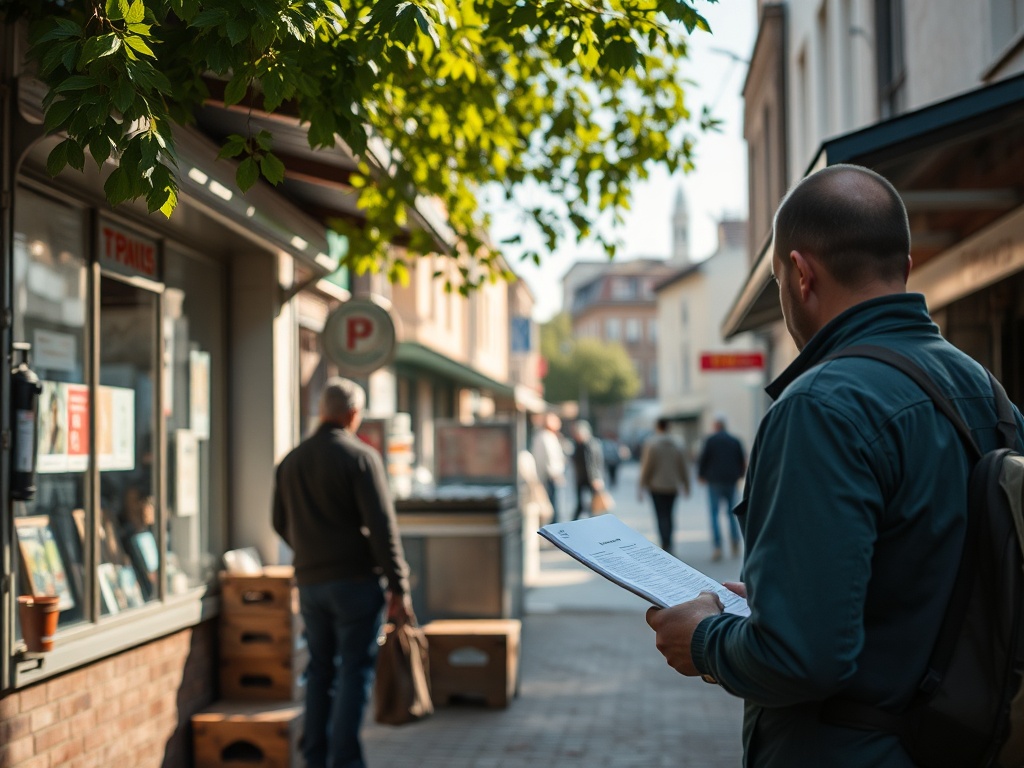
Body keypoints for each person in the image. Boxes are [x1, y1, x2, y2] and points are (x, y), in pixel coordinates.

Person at [645, 164, 1024, 768]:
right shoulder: (987, 391)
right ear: (905, 267)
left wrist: (704, 639)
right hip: (963, 743)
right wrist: (780, 594)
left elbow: (801, 658)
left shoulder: (819, 406)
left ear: (801, 274)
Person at [273, 377, 413, 768]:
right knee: (354, 670)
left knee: (320, 670)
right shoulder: (361, 457)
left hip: (311, 583)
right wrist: (399, 586)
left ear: (323, 412)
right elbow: (383, 529)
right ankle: (346, 760)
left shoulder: (291, 461)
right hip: (354, 583)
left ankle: (314, 757)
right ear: (352, 414)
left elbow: (278, 521)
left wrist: (310, 551)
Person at [696, 413, 746, 561]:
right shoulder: (735, 440)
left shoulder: (710, 440)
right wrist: (740, 475)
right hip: (731, 480)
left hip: (714, 481)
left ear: (715, 426)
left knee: (714, 514)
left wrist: (701, 475)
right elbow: (742, 460)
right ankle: (735, 542)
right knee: (731, 513)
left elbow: (703, 459)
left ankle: (717, 547)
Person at [638, 418, 691, 552]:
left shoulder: (651, 444)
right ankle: (669, 542)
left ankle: (665, 543)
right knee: (670, 514)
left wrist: (641, 486)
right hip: (672, 485)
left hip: (656, 486)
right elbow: (683, 466)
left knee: (660, 515)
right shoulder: (677, 444)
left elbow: (647, 467)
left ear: (657, 427)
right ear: (669, 427)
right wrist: (686, 485)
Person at [531, 413, 566, 522]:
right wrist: (556, 474)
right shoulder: (546, 437)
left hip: (547, 476)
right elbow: (550, 459)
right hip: (549, 478)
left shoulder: (544, 436)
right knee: (552, 507)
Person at [570, 420, 604, 520]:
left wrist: (596, 478)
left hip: (591, 478)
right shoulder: (579, 445)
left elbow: (594, 463)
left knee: (594, 504)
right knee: (581, 504)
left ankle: (592, 521)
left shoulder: (590, 444)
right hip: (582, 478)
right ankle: (575, 522)